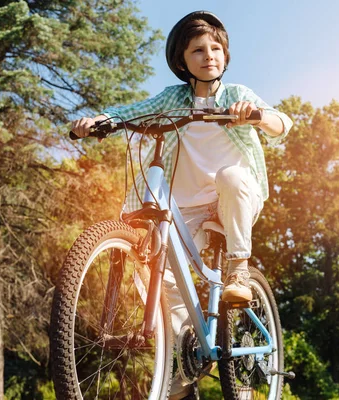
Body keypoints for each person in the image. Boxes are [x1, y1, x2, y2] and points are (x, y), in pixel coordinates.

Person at [71, 10, 292, 399]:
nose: (209, 55)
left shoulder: (237, 96)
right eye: (198, 50)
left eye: (216, 48)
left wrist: (255, 117)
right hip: (185, 207)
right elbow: (131, 112)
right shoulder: (174, 99)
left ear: (225, 54)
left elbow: (281, 123)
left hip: (234, 198)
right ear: (181, 61)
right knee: (162, 275)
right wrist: (100, 121)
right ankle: (180, 363)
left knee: (230, 176)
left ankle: (238, 270)